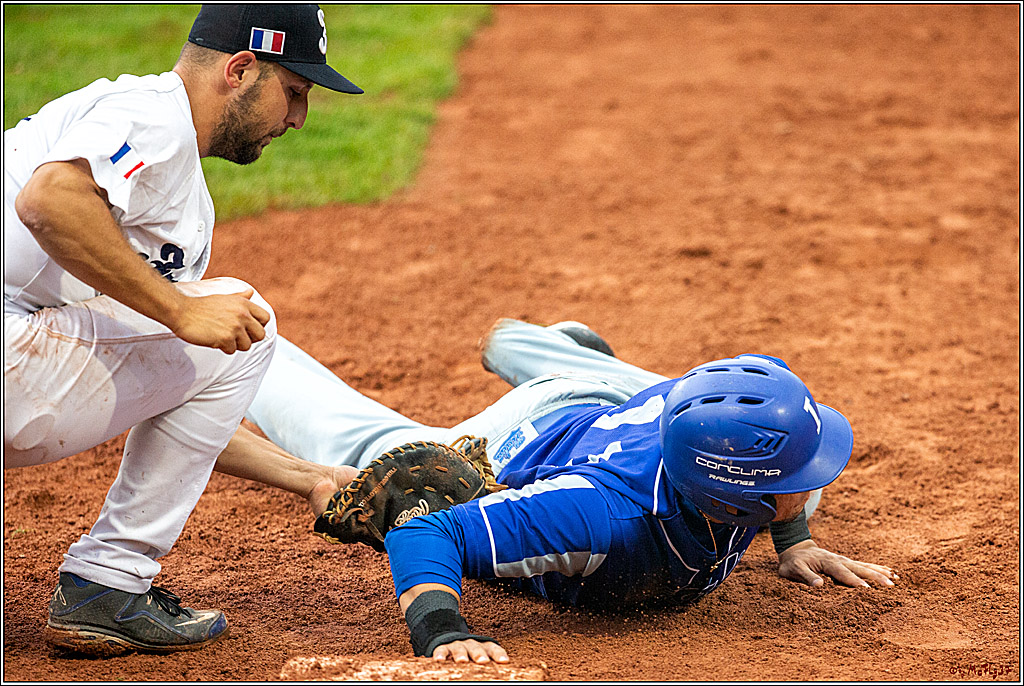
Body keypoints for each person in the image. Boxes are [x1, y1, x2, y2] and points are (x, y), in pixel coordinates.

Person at [3, 4, 361, 655]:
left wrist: (308, 476)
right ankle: (108, 584)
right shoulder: (152, 116)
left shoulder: (170, 181)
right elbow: (47, 200)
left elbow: (178, 402)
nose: (299, 119)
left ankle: (105, 589)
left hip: (20, 361)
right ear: (241, 69)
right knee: (241, 311)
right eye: (295, 92)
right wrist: (178, 310)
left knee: (223, 327)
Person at [239, 318, 898, 664]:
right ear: (735, 498)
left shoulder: (731, 456)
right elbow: (427, 530)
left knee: (792, 483)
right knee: (389, 468)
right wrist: (441, 632)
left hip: (635, 404)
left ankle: (542, 347)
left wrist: (794, 541)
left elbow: (771, 410)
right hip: (517, 437)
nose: (816, 477)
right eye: (795, 477)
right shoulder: (596, 516)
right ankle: (241, 347)